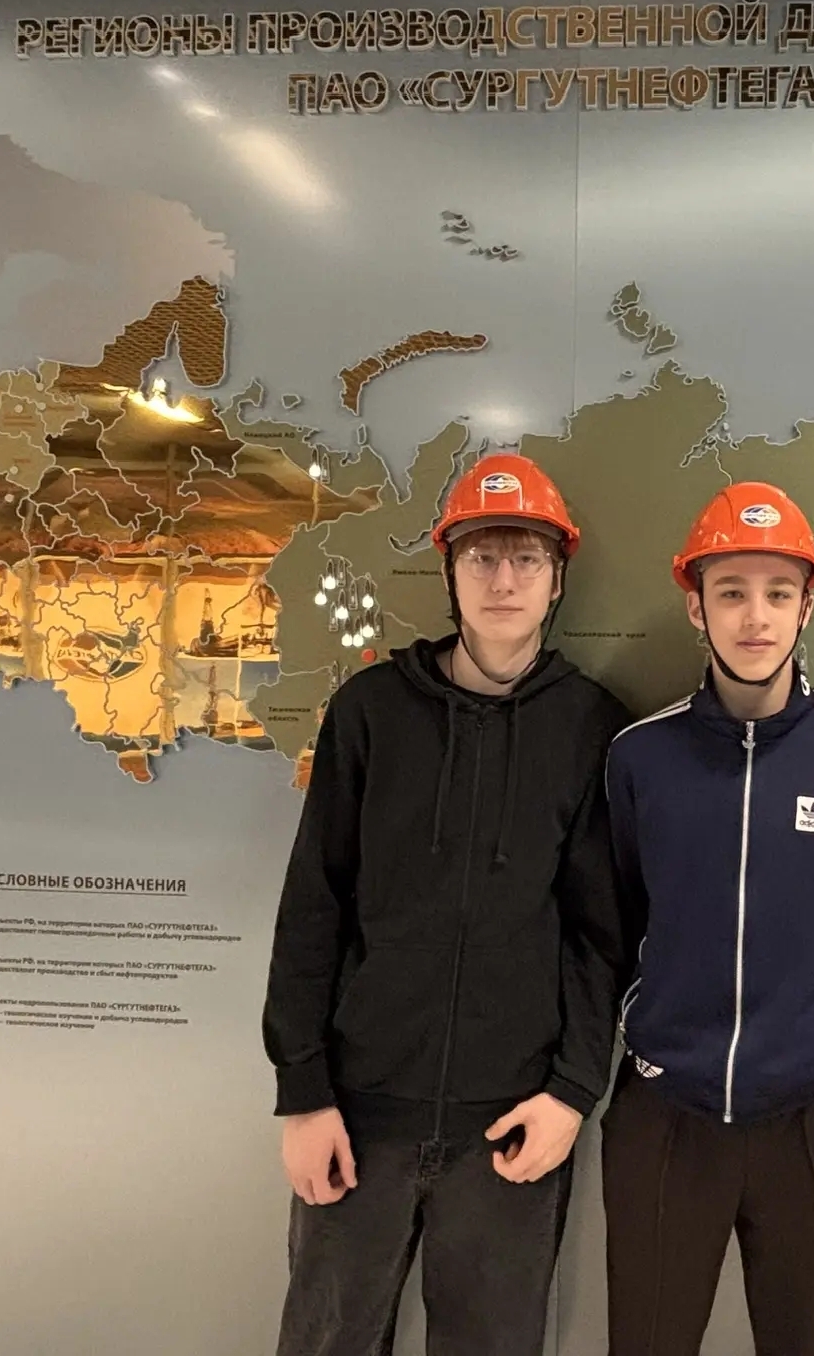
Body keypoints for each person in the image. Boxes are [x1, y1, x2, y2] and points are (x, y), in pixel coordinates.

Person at [264, 453, 631, 1356]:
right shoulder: (370, 713)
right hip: (360, 1113)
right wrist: (303, 1095)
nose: (503, 580)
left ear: (557, 579)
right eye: (481, 557)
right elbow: (313, 907)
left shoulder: (592, 728)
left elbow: (600, 935)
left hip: (511, 1121)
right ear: (450, 572)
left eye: (527, 558)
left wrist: (572, 1092)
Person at [601, 482, 814, 1356]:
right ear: (694, 605)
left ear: (807, 605)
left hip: (809, 1110)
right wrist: (645, 1019)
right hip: (666, 1105)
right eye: (730, 591)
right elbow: (619, 909)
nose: (755, 617)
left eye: (778, 592)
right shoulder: (638, 757)